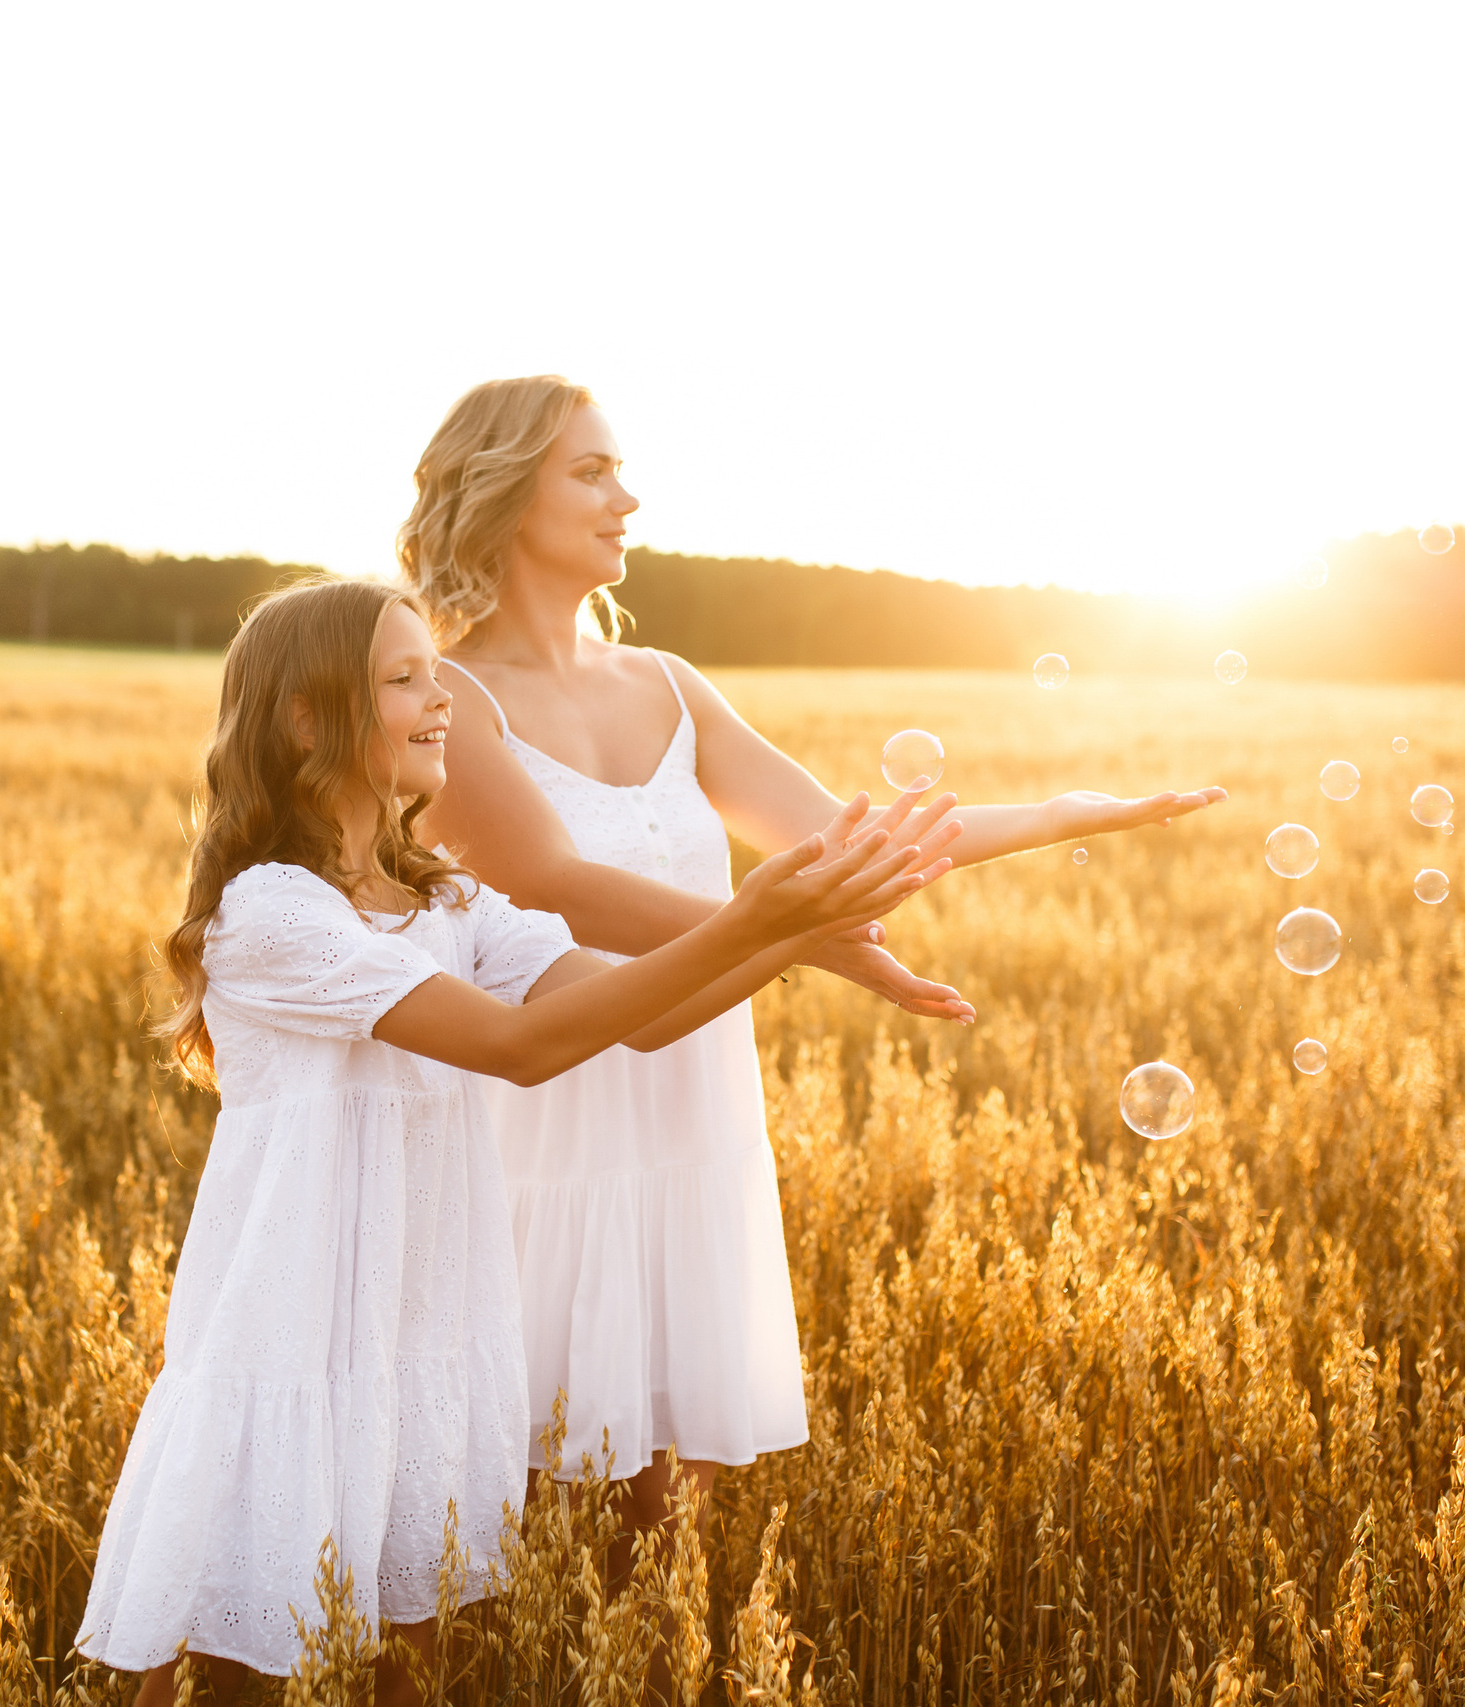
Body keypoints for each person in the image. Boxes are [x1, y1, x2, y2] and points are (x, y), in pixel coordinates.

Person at [73, 575, 955, 1705]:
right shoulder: (273, 914)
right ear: (306, 720)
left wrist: (791, 941)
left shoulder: (450, 906)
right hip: (292, 1345)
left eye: (436, 673)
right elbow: (521, 1047)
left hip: (426, 1329)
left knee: (413, 1659)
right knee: (227, 1680)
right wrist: (758, 918)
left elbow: (640, 1016)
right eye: (403, 680)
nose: (441, 700)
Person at [402, 375, 1227, 1555]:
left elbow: (840, 842)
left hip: (687, 1120)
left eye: (620, 470)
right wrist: (792, 934)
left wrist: (1056, 812)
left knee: (661, 1526)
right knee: (521, 1508)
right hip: (551, 1125)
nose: (627, 497)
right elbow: (558, 889)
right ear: (500, 490)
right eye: (590, 472)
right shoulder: (453, 698)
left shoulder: (669, 684)